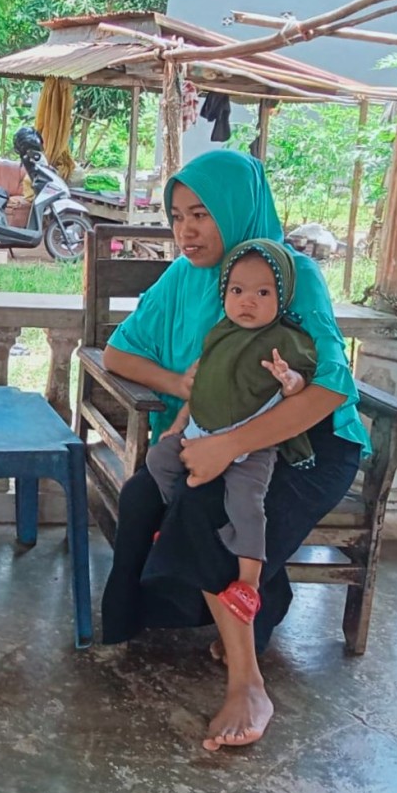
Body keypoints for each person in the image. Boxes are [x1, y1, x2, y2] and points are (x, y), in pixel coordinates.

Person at [100, 151, 369, 752]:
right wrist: (180, 387)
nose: (186, 230)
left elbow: (330, 387)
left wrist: (229, 445)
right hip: (216, 433)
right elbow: (119, 352)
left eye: (202, 214)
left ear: (236, 209)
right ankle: (258, 602)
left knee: (209, 506)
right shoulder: (184, 275)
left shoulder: (289, 273)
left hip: (309, 441)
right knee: (169, 493)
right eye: (176, 216)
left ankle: (247, 683)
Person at [146, 239, 317, 626]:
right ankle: (173, 525)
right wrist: (176, 427)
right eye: (237, 291)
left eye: (262, 292)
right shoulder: (219, 335)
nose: (248, 302)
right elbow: (201, 387)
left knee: (246, 504)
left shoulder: (286, 340)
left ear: (282, 296)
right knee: (159, 459)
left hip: (251, 447)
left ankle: (249, 582)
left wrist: (288, 378)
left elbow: (300, 388)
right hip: (199, 434)